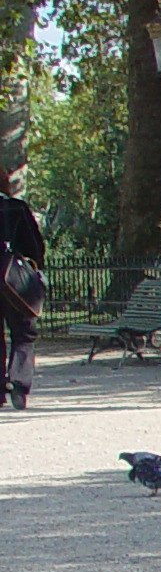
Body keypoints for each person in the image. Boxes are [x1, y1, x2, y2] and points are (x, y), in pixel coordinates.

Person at [0, 159, 43, 411]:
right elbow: (34, 246)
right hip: (13, 280)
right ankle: (19, 383)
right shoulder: (15, 209)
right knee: (23, 333)